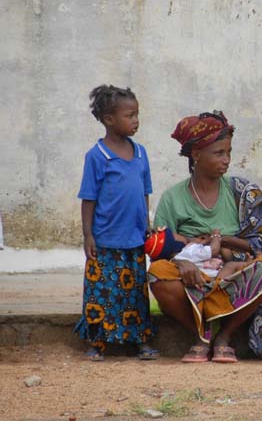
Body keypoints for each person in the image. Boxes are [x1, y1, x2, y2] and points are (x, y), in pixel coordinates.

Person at [148, 111, 262, 363]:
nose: (227, 160)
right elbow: (161, 247)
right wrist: (183, 262)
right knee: (157, 272)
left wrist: (225, 243)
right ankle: (202, 334)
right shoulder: (173, 198)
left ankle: (225, 336)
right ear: (196, 155)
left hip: (231, 275)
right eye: (219, 153)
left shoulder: (241, 192)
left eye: (228, 152)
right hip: (192, 278)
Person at [75, 85, 158, 362]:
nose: (136, 120)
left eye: (137, 114)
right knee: (103, 293)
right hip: (106, 238)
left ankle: (140, 341)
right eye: (130, 115)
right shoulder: (97, 156)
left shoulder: (140, 153)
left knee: (135, 293)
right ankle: (97, 342)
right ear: (109, 120)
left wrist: (146, 224)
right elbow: (88, 198)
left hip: (134, 238)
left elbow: (144, 191)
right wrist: (88, 235)